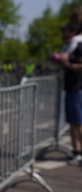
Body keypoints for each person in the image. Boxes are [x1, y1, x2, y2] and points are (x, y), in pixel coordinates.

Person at [53, 22, 82, 166]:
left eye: (65, 31)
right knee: (73, 122)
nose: (63, 34)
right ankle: (76, 152)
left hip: (78, 89)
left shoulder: (78, 45)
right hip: (72, 88)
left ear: (73, 31)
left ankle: (79, 152)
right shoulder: (72, 46)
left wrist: (67, 65)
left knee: (78, 123)